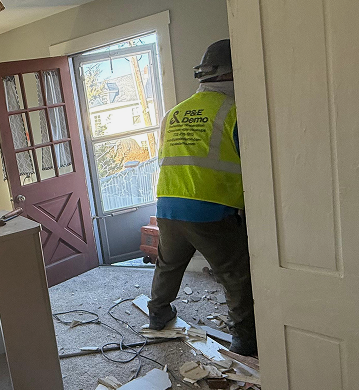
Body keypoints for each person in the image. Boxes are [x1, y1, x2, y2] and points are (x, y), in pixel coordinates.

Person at [149, 39, 257, 356]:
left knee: (169, 265)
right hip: (210, 210)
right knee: (235, 275)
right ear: (231, 74)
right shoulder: (235, 112)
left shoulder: (173, 114)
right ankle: (244, 338)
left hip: (168, 205)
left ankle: (157, 314)